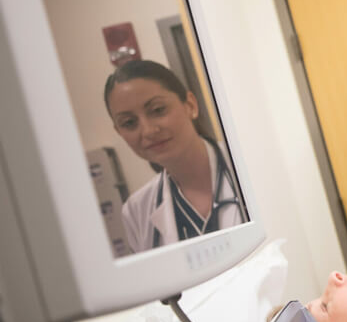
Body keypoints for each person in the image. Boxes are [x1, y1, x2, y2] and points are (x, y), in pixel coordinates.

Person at [104, 59, 244, 253]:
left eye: (158, 110)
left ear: (190, 105)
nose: (147, 131)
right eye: (129, 123)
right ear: (119, 131)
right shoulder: (137, 211)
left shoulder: (249, 165)